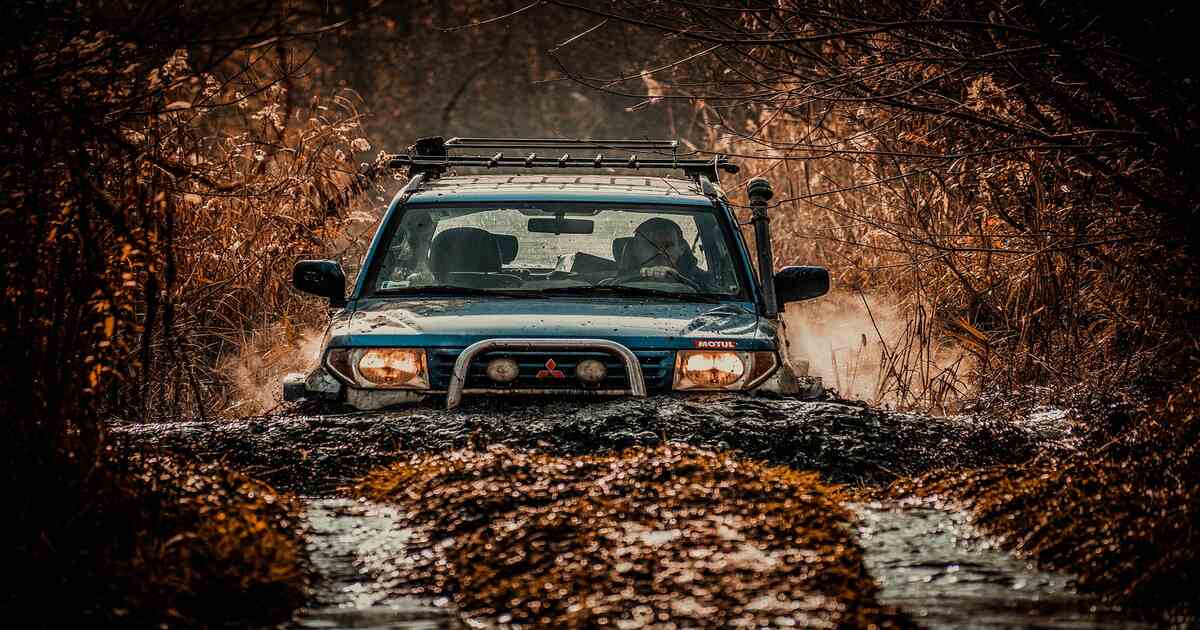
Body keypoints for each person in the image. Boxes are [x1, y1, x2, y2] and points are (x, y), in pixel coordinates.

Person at [619, 218, 712, 290]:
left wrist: (679, 279)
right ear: (635, 249)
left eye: (668, 245)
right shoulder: (609, 283)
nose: (660, 252)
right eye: (650, 245)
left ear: (681, 249)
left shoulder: (705, 282)